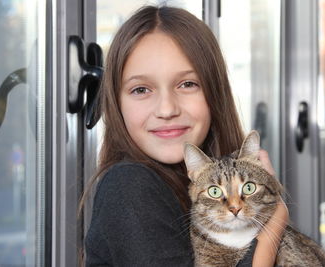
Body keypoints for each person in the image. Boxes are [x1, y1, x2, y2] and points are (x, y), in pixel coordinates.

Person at [83, 5, 288, 267]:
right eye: (141, 89)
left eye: (187, 84)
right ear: (117, 102)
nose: (167, 109)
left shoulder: (192, 185)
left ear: (214, 93)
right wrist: (275, 221)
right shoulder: (130, 185)